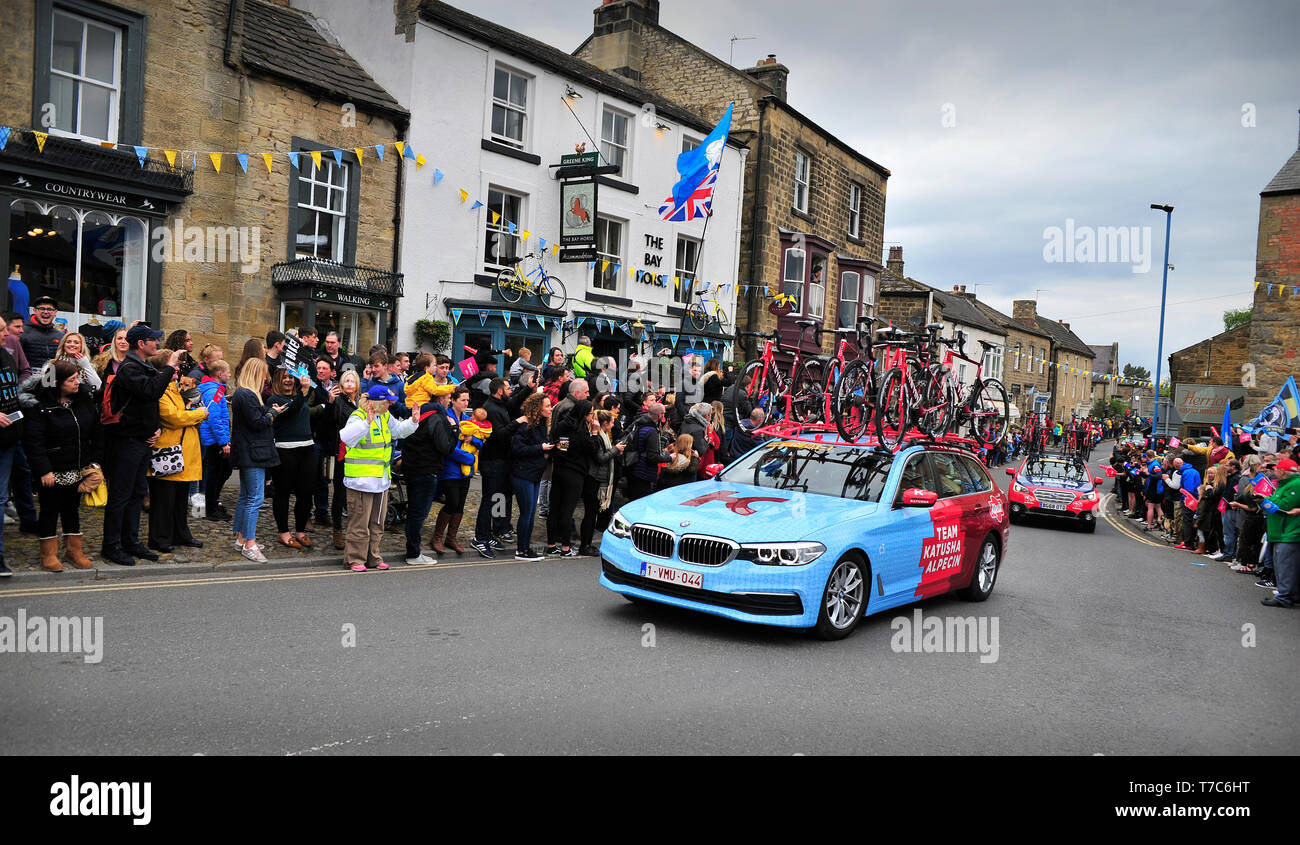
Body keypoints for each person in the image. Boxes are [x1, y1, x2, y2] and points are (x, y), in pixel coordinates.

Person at [100, 325, 180, 566]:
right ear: (141, 344)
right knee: (120, 495)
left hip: (141, 440)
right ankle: (111, 546)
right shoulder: (129, 367)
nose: (157, 344)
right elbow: (151, 392)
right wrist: (169, 366)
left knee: (136, 493)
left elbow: (146, 405)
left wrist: (154, 429)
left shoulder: (142, 366)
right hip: (126, 442)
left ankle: (131, 541)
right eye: (153, 341)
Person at [22, 359, 101, 571]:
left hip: (77, 467)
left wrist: (93, 462)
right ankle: (48, 554)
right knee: (49, 511)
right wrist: (44, 470)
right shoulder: (40, 406)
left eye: (78, 378)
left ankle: (74, 551)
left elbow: (94, 432)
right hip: (52, 469)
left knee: (72, 510)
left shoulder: (82, 400)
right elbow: (34, 442)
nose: (77, 383)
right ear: (57, 382)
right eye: (72, 380)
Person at [337, 384, 419, 572]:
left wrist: (413, 422)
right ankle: (355, 560)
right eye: (388, 401)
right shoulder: (357, 416)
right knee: (359, 524)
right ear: (377, 402)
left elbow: (398, 430)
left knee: (377, 523)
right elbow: (346, 437)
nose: (391, 404)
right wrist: (366, 423)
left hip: (380, 481)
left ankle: (373, 557)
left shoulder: (384, 416)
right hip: (360, 481)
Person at [146, 350, 207, 554]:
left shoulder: (175, 388)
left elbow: (184, 412)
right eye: (174, 366)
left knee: (180, 499)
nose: (178, 370)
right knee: (163, 501)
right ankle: (159, 538)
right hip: (168, 452)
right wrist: (199, 414)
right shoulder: (161, 390)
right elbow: (172, 417)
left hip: (183, 451)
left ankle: (180, 533)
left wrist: (194, 412)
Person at [230, 358, 283, 562]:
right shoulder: (248, 395)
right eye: (264, 374)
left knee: (246, 496)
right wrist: (272, 413)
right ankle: (249, 543)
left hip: (248, 451)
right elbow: (257, 423)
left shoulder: (244, 394)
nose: (266, 378)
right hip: (253, 453)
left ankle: (242, 538)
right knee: (255, 498)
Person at [399, 384, 455, 565]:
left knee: (414, 512)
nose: (449, 401)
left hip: (411, 468)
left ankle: (412, 551)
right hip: (427, 470)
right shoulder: (438, 419)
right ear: (440, 399)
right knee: (418, 514)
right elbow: (445, 447)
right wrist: (455, 430)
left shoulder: (416, 414)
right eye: (447, 397)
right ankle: (413, 554)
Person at [269, 366, 321, 550]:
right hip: (285, 450)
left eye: (291, 377)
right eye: (284, 377)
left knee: (306, 492)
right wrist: (304, 393)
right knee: (282, 493)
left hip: (307, 448)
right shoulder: (274, 400)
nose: (288, 380)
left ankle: (300, 531)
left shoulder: (300, 397)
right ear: (277, 380)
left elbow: (301, 403)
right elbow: (290, 411)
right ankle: (283, 533)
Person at [471, 378, 519, 558]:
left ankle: (491, 531)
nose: (510, 391)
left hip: (502, 460)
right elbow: (498, 435)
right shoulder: (491, 408)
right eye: (508, 388)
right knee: (489, 499)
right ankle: (479, 537)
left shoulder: (500, 405)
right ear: (500, 391)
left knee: (499, 496)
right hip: (492, 461)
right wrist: (517, 423)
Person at [430, 386, 477, 555]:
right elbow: (447, 446)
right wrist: (468, 458)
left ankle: (451, 537)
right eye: (463, 400)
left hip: (465, 471)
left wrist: (474, 440)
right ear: (453, 400)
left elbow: (479, 440)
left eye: (467, 400)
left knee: (460, 505)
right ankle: (437, 537)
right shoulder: (445, 418)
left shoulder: (467, 419)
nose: (466, 403)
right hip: (450, 468)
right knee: (451, 502)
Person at [547, 398, 596, 557]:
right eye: (590, 414)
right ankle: (566, 548)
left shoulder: (564, 425)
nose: (592, 417)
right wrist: (594, 433)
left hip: (559, 469)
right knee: (567, 511)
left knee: (554, 509)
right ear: (584, 414)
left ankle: (551, 545)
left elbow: (561, 448)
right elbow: (592, 449)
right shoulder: (581, 430)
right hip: (575, 473)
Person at [510, 393, 554, 561]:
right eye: (547, 405)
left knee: (531, 513)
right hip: (523, 474)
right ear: (538, 408)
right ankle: (521, 550)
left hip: (535, 474)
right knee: (527, 513)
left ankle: (525, 548)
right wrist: (540, 447)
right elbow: (518, 450)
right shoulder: (524, 425)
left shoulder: (542, 424)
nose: (550, 408)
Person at [0, 341, 27, 576]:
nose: (4, 334)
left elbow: (14, 393)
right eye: (0, 330)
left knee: (0, 498)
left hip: (9, 438)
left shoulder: (7, 355)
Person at [1259, 457, 1300, 607]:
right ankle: (1291, 594)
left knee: (1286, 566)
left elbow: (1284, 505)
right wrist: (1266, 500)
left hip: (1289, 532)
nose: (1274, 470)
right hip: (1282, 531)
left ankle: (1285, 597)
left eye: (1276, 468)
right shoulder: (1286, 484)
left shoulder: (1295, 484)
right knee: (1284, 565)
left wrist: (1264, 501)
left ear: (1282, 471)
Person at [330, 370, 362, 550]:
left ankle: (355, 531)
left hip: (361, 453)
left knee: (356, 495)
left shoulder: (361, 402)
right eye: (346, 381)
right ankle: (337, 530)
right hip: (343, 452)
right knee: (340, 494)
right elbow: (338, 421)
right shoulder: (339, 402)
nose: (349, 384)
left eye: (352, 381)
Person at [198, 359, 233, 521]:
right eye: (228, 372)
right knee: (215, 473)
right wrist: (224, 442)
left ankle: (212, 503)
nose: (230, 375)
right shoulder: (214, 391)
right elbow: (214, 418)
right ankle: (210, 507)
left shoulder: (217, 390)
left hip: (214, 439)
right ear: (220, 374)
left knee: (223, 470)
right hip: (213, 440)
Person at [311, 356, 341, 527]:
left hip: (331, 439)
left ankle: (322, 512)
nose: (321, 371)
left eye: (324, 368)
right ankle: (310, 514)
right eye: (319, 368)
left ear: (331, 371)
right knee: (311, 477)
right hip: (315, 437)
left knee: (324, 478)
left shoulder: (337, 388)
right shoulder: (313, 387)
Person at [624, 402, 673, 501]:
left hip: (632, 466)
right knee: (640, 502)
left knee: (633, 499)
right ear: (660, 415)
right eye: (664, 413)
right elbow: (652, 457)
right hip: (643, 472)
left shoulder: (639, 422)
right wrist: (670, 458)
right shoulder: (651, 431)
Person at [22, 295, 65, 371]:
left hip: (53, 379)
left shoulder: (61, 336)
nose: (46, 312)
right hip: (28, 379)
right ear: (35, 311)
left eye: (50, 309)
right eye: (42, 308)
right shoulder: (22, 331)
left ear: (55, 313)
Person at [2, 312, 32, 381]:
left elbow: (26, 370)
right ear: (4, 327)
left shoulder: (13, 341)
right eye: (17, 327)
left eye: (22, 327)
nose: (21, 331)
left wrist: (17, 387)